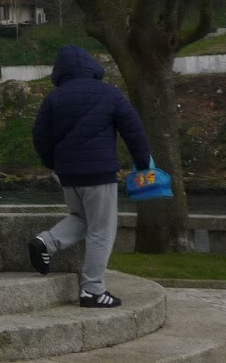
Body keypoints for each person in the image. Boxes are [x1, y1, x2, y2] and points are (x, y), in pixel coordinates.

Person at [29, 45, 152, 309]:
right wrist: (143, 164)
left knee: (81, 218)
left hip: (68, 175)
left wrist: (53, 163)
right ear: (91, 66)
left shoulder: (54, 99)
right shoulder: (109, 93)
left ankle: (46, 242)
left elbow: (39, 135)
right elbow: (134, 130)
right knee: (101, 230)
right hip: (99, 174)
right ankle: (92, 290)